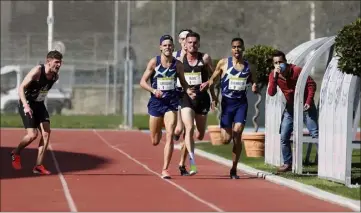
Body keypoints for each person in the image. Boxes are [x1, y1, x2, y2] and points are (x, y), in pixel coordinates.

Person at [139, 35, 196, 179]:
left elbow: (183, 82)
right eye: (165, 45)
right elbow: (142, 82)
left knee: (170, 134)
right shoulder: (154, 62)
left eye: (170, 45)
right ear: (160, 47)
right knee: (155, 140)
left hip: (171, 102)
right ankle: (158, 130)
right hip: (156, 103)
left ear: (173, 47)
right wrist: (153, 90)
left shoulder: (178, 65)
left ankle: (165, 169)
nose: (168, 47)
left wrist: (188, 90)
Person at [207, 37, 257, 179]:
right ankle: (226, 131)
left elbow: (254, 81)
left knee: (238, 132)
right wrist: (214, 98)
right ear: (231, 49)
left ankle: (234, 168)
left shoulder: (249, 67)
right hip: (227, 104)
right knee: (225, 139)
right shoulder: (224, 63)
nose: (237, 50)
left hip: (241, 104)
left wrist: (254, 85)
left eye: (239, 47)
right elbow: (212, 81)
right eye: (234, 47)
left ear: (243, 48)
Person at [11, 50, 63, 175]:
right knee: (32, 135)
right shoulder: (37, 71)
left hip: (39, 105)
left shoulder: (55, 76)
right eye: (56, 62)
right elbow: (21, 88)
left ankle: (38, 165)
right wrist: (26, 106)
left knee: (46, 133)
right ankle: (16, 153)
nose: (59, 65)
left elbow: (42, 90)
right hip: (27, 103)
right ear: (48, 61)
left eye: (60, 62)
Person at [267, 50, 318, 172]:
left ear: (286, 61)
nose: (279, 65)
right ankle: (287, 163)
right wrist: (274, 78)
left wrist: (309, 101)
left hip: (306, 106)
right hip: (290, 108)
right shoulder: (273, 75)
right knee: (284, 135)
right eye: (276, 63)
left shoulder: (297, 71)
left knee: (315, 134)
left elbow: (312, 85)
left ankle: (325, 162)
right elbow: (271, 93)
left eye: (281, 62)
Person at [178, 31, 216, 176]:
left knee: (199, 134)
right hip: (187, 98)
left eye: (195, 42)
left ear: (198, 44)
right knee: (189, 129)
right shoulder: (180, 60)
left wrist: (212, 93)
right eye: (189, 42)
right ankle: (192, 162)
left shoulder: (205, 58)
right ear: (185, 45)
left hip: (202, 99)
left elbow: (214, 76)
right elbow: (178, 79)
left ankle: (181, 162)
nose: (192, 45)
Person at [172, 29, 193, 176]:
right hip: (176, 94)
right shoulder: (173, 56)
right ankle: (174, 134)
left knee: (188, 131)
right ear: (179, 41)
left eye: (187, 38)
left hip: (190, 95)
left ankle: (182, 163)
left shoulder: (196, 56)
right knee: (179, 130)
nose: (185, 41)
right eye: (182, 38)